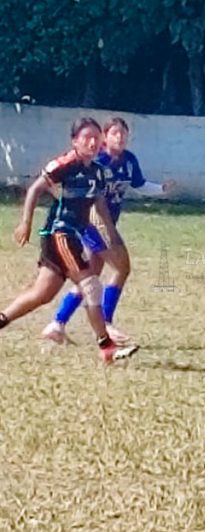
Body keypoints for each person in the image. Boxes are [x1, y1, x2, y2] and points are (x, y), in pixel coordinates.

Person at [0, 117, 138, 364]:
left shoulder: (97, 171)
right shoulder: (65, 164)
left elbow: (99, 203)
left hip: (72, 234)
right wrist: (26, 223)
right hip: (60, 233)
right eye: (87, 137)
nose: (93, 142)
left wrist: (111, 233)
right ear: (75, 141)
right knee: (91, 285)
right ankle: (106, 346)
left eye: (97, 137)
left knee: (42, 294)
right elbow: (35, 189)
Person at [42, 117, 174, 345]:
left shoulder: (129, 161)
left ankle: (58, 323)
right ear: (105, 137)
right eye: (114, 133)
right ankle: (106, 323)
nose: (120, 137)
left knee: (91, 275)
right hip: (95, 224)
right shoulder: (98, 161)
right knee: (122, 267)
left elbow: (138, 184)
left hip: (108, 223)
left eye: (123, 133)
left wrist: (161, 189)